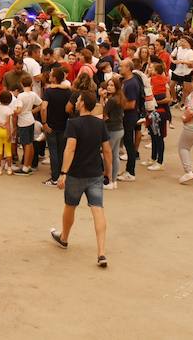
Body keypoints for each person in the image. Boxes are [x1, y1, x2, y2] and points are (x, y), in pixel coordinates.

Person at [49, 91, 111, 269]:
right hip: (95, 173)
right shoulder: (100, 124)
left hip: (76, 174)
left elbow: (70, 148)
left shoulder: (73, 123)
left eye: (78, 100)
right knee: (98, 210)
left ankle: (64, 238)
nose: (76, 102)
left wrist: (63, 173)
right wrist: (108, 172)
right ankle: (101, 252)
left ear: (82, 103)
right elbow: (107, 150)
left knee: (70, 206)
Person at [42, 66, 73, 186]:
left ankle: (54, 177)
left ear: (54, 78)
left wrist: (44, 123)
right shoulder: (68, 91)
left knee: (53, 151)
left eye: (51, 75)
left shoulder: (48, 91)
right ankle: (61, 175)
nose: (49, 76)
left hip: (51, 125)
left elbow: (43, 107)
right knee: (61, 151)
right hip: (64, 124)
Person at [0, 89, 17, 176]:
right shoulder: (8, 110)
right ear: (10, 100)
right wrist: (10, 133)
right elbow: (8, 123)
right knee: (8, 151)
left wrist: (0, 125)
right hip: (6, 131)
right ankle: (9, 168)